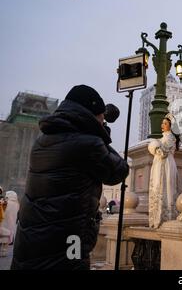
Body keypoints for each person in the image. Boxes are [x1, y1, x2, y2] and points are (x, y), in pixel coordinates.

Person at [11, 85, 129, 270]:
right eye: (101, 117)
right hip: (69, 241)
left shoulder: (41, 141)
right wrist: (102, 135)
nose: (102, 121)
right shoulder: (89, 144)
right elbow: (119, 171)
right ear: (91, 115)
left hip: (31, 240)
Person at [147, 114, 180, 229]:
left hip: (166, 166)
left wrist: (153, 146)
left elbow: (163, 152)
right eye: (162, 123)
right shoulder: (162, 138)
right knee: (158, 188)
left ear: (171, 126)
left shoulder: (170, 137)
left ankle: (166, 219)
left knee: (166, 189)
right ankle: (157, 218)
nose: (162, 125)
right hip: (159, 165)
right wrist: (154, 146)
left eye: (165, 123)